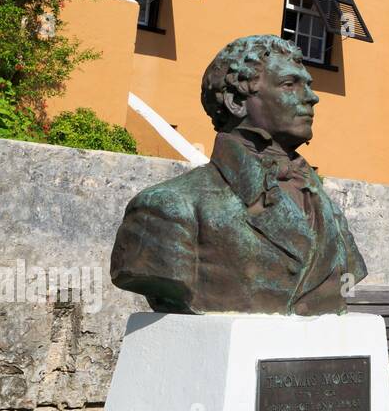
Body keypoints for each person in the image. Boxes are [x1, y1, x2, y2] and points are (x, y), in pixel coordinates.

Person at [110, 34, 367, 314]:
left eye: (308, 85)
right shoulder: (167, 208)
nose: (312, 97)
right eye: (289, 84)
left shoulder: (325, 207)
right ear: (235, 100)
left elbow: (345, 274)